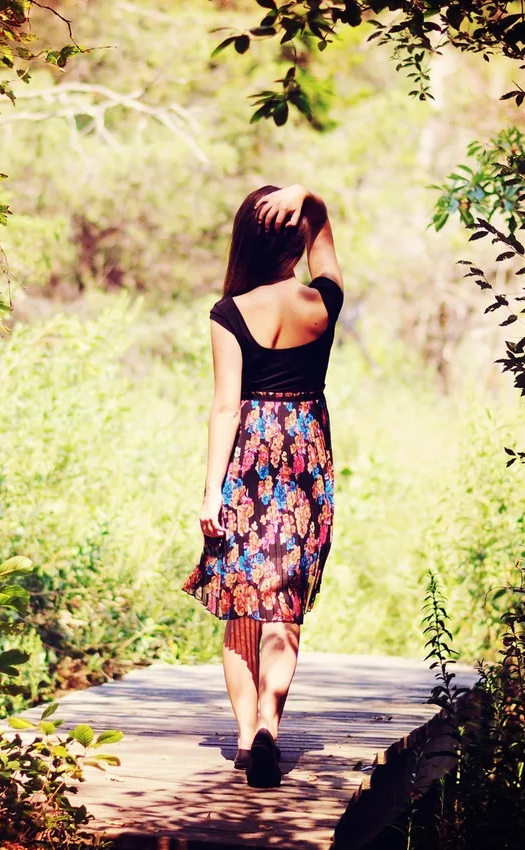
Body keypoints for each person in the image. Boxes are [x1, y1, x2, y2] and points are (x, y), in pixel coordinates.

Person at [181, 183, 343, 788]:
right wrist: (314, 202)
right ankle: (273, 721)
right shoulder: (322, 302)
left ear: (247, 239)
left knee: (240, 609)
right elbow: (328, 249)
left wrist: (210, 492)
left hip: (249, 461)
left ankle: (248, 737)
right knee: (283, 605)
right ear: (297, 236)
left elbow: (225, 408)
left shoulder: (230, 312)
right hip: (305, 456)